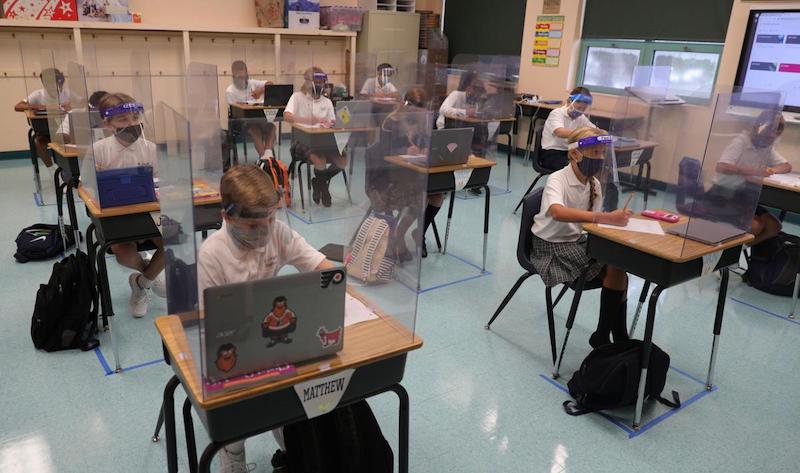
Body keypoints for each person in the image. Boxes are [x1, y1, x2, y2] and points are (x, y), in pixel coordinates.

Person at [197, 164, 334, 473]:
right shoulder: (212, 254)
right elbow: (210, 327)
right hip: (230, 341)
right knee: (237, 397)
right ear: (227, 216)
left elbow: (321, 266)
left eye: (270, 220)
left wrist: (336, 280)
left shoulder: (278, 233)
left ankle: (293, 440)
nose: (264, 231)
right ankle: (233, 451)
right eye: (253, 225)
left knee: (300, 389)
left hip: (271, 337)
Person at [530, 127, 633, 348]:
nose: (600, 157)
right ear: (575, 153)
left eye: (602, 152)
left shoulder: (593, 184)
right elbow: (558, 212)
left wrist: (614, 226)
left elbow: (589, 225)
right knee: (616, 271)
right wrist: (604, 217)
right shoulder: (557, 179)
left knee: (619, 266)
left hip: (576, 240)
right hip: (551, 246)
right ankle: (608, 336)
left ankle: (611, 335)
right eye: (594, 152)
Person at [94, 93, 165, 318]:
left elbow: (160, 181)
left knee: (175, 241)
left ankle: (141, 283)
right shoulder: (99, 149)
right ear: (107, 124)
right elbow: (88, 188)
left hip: (150, 210)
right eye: (123, 119)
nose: (132, 124)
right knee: (124, 255)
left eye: (135, 117)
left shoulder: (150, 148)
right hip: (118, 216)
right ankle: (149, 274)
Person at [374, 87, 441, 259]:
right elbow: (383, 152)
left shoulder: (422, 121)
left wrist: (427, 147)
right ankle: (399, 235)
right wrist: (404, 149)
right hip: (388, 174)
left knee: (437, 195)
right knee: (420, 196)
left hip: (412, 171)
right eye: (419, 112)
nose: (422, 116)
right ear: (409, 107)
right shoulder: (391, 122)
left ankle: (412, 233)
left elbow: (428, 140)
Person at [712, 110, 791, 246]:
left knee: (774, 226)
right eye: (768, 134)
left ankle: (741, 248)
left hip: (743, 195)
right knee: (755, 225)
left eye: (774, 136)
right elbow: (721, 166)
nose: (770, 139)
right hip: (723, 193)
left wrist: (771, 170)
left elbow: (786, 166)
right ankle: (728, 251)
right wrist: (754, 170)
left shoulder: (766, 146)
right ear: (758, 128)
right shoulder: (741, 141)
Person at [284, 66, 346, 207]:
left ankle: (318, 182)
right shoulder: (297, 97)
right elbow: (287, 116)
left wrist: (333, 123)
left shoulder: (327, 102)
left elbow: (332, 122)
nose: (318, 85)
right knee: (320, 160)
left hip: (323, 141)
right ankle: (324, 191)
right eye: (315, 81)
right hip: (302, 142)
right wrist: (308, 121)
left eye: (321, 82)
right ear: (306, 81)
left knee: (343, 159)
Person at [14, 67, 72, 170]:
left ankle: (72, 169)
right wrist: (43, 107)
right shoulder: (38, 94)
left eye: (52, 81)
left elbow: (85, 103)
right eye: (46, 82)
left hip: (67, 130)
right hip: (47, 131)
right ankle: (52, 170)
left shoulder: (68, 93)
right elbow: (18, 106)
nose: (49, 85)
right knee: (38, 142)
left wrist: (72, 105)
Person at [540, 87, 597, 171]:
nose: (580, 111)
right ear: (569, 101)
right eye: (578, 108)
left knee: (592, 165)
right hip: (551, 153)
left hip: (569, 152)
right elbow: (559, 132)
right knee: (577, 168)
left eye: (583, 109)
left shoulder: (581, 117)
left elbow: (594, 130)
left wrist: (603, 134)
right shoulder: (557, 113)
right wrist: (582, 134)